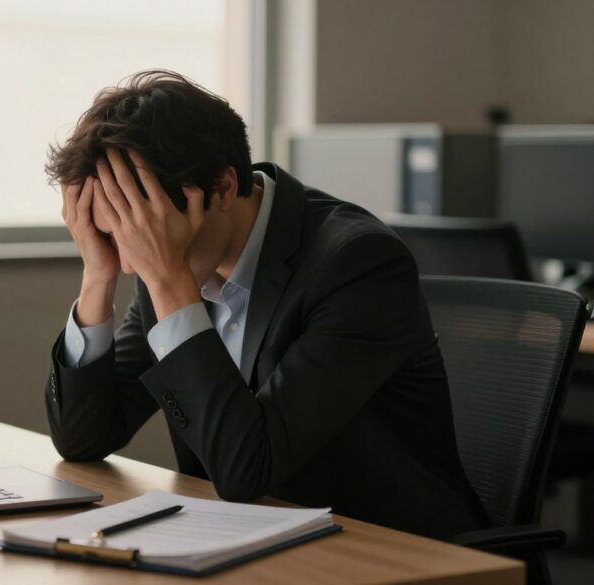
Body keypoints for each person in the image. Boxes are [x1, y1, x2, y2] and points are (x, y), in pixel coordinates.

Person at [42, 70, 488, 538]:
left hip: (392, 548)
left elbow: (247, 471)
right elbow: (82, 438)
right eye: (113, 235)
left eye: (137, 234)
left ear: (222, 188)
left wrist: (170, 282)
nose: (133, 263)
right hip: (255, 539)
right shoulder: (166, 258)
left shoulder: (357, 264)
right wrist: (98, 276)